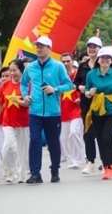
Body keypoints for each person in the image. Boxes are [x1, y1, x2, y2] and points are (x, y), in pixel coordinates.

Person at [21, 36, 74, 184]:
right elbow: (24, 83)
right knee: (35, 140)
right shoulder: (30, 67)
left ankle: (55, 169)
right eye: (37, 46)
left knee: (53, 142)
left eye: (42, 46)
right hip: (35, 111)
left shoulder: (58, 66)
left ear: (49, 49)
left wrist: (55, 89)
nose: (38, 48)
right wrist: (26, 96)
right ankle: (35, 173)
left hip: (52, 112)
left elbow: (69, 85)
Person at [84, 48, 112, 180]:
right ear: (98, 60)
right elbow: (86, 91)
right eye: (102, 58)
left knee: (106, 137)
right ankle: (106, 168)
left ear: (111, 61)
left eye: (108, 58)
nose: (105, 60)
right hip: (97, 109)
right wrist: (89, 93)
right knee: (100, 139)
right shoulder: (91, 74)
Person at [0, 60, 30, 183]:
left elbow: (28, 103)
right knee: (8, 146)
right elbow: (0, 103)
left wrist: (18, 101)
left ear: (21, 70)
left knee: (22, 150)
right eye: (10, 70)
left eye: (14, 70)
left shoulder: (27, 85)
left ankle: (22, 175)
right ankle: (9, 171)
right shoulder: (5, 85)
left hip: (23, 122)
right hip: (7, 122)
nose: (12, 73)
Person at [74, 36, 102, 174]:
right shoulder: (82, 66)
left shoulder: (104, 64)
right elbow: (76, 82)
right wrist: (80, 88)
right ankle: (90, 161)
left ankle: (106, 160)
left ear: (100, 49)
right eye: (89, 47)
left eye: (94, 47)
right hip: (86, 103)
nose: (91, 49)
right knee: (88, 132)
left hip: (102, 102)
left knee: (102, 132)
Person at [59, 52, 83, 170]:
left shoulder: (77, 76)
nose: (66, 64)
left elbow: (84, 88)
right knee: (63, 137)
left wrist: (81, 98)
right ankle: (70, 159)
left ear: (72, 62)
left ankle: (77, 159)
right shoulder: (58, 78)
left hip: (76, 110)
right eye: (63, 62)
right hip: (63, 111)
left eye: (68, 61)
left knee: (74, 132)